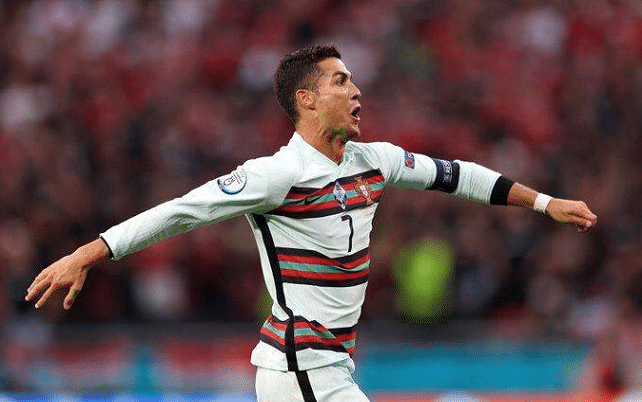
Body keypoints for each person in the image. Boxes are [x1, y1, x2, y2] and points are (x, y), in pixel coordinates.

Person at [25, 45, 597, 402]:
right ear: (307, 99)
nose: (356, 90)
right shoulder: (276, 175)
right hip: (299, 365)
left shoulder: (376, 161)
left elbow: (458, 176)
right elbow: (180, 212)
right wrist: (86, 254)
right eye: (341, 81)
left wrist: (544, 203)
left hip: (326, 365)